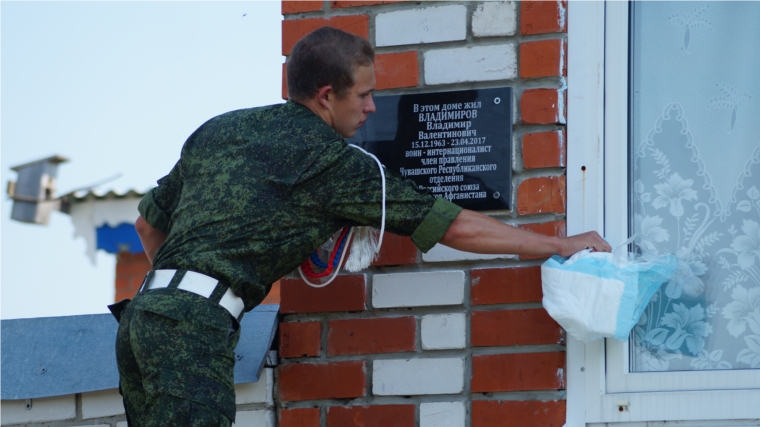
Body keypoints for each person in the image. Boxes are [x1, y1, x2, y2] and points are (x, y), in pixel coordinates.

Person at [115, 26, 610, 427]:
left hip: (140, 320)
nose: (372, 108)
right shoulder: (332, 162)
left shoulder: (221, 129)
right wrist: (560, 243)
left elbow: (145, 224)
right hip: (192, 331)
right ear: (328, 96)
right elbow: (454, 227)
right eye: (366, 95)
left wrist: (178, 298)